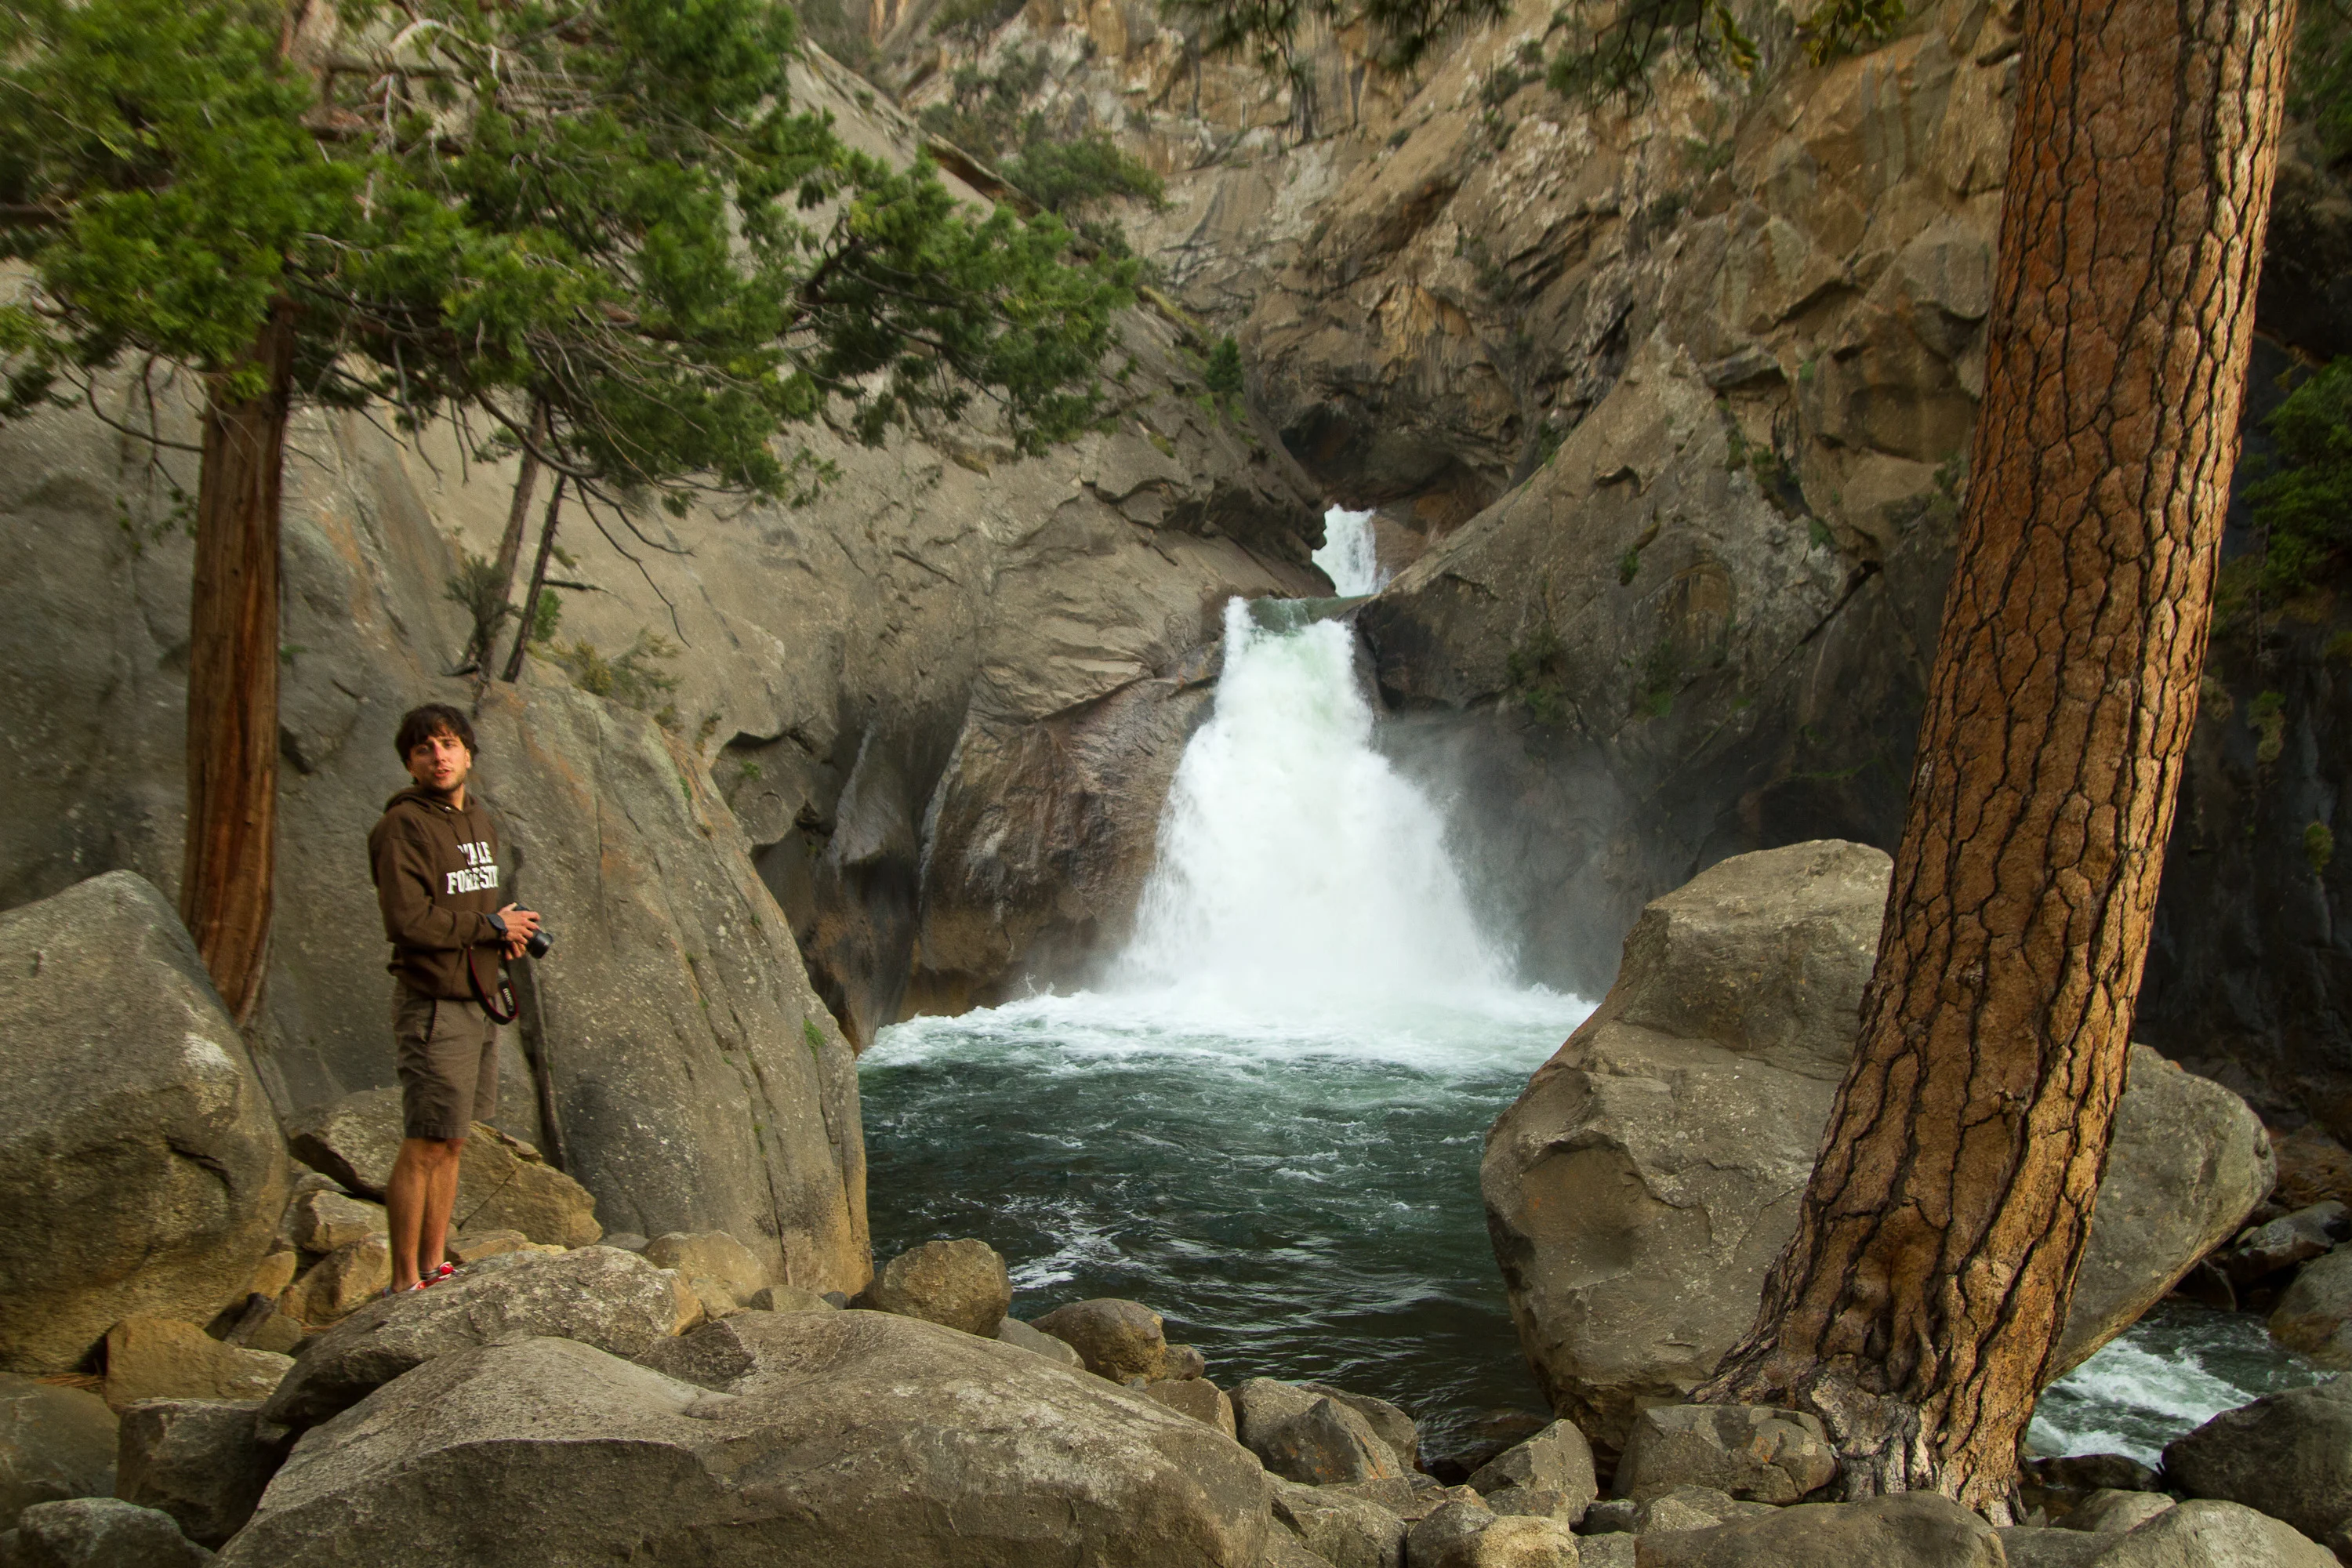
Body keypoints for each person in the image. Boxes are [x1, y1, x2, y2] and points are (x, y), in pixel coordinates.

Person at [368, 703, 541, 1293]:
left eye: (447, 745)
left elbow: (474, 909)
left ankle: (434, 1262)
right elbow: (407, 920)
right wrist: (490, 929)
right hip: (434, 1002)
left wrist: (507, 934)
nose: (438, 757)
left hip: (477, 996)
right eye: (424, 749)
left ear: (468, 753)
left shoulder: (481, 824)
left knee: (454, 1138)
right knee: (425, 1140)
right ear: (409, 763)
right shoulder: (403, 828)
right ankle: (402, 1281)